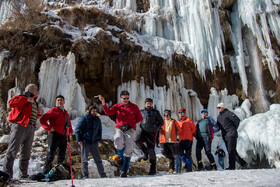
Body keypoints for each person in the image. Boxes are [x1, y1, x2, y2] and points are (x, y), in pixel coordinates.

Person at [99, 90, 143, 178]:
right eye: (124, 98)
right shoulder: (118, 106)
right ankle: (120, 157)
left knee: (129, 148)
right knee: (118, 140)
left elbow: (139, 118)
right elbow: (108, 112)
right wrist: (103, 103)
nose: (126, 99)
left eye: (127, 98)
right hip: (120, 128)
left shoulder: (134, 107)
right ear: (121, 98)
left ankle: (124, 171)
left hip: (130, 129)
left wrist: (131, 124)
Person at [3, 84, 43, 179]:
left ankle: (23, 175)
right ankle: (6, 174)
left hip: (30, 127)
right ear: (31, 90)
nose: (37, 92)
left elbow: (30, 114)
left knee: (26, 152)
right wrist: (25, 99)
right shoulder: (22, 97)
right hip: (20, 125)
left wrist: (38, 113)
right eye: (36, 90)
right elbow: (11, 103)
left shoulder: (34, 102)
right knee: (13, 150)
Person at [40, 95, 73, 174]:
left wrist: (70, 131)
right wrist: (48, 127)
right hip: (54, 134)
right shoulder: (53, 110)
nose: (59, 102)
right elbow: (42, 119)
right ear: (56, 102)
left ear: (64, 102)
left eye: (61, 100)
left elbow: (68, 123)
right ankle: (45, 172)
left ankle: (57, 172)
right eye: (58, 100)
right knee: (51, 154)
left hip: (63, 135)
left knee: (61, 155)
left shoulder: (65, 112)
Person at [75, 106, 107, 179]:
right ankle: (85, 175)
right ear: (89, 111)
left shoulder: (97, 120)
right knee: (84, 160)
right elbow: (78, 129)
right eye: (93, 111)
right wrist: (79, 139)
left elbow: (100, 130)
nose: (94, 112)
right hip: (85, 141)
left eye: (95, 111)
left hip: (94, 142)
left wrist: (99, 139)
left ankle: (103, 174)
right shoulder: (84, 119)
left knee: (98, 159)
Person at [135, 98, 164, 175]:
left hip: (152, 133)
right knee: (137, 140)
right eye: (147, 103)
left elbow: (161, 122)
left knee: (151, 149)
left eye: (150, 103)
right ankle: (145, 151)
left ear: (152, 104)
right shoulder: (141, 112)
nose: (149, 104)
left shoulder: (155, 112)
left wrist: (155, 129)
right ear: (145, 104)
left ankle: (153, 169)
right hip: (143, 131)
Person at [216, 103, 248, 170]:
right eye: (217, 108)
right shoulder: (219, 117)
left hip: (231, 134)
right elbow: (218, 127)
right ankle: (243, 163)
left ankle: (232, 166)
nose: (218, 109)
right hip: (225, 135)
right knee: (232, 151)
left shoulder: (228, 113)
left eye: (219, 107)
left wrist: (233, 128)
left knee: (231, 151)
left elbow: (237, 120)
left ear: (223, 107)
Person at [160, 110, 182, 174]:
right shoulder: (162, 122)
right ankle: (172, 160)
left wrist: (175, 136)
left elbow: (179, 130)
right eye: (165, 115)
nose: (166, 116)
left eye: (167, 115)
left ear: (170, 115)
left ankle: (171, 169)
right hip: (164, 140)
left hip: (172, 141)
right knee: (165, 152)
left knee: (171, 154)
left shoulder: (174, 121)